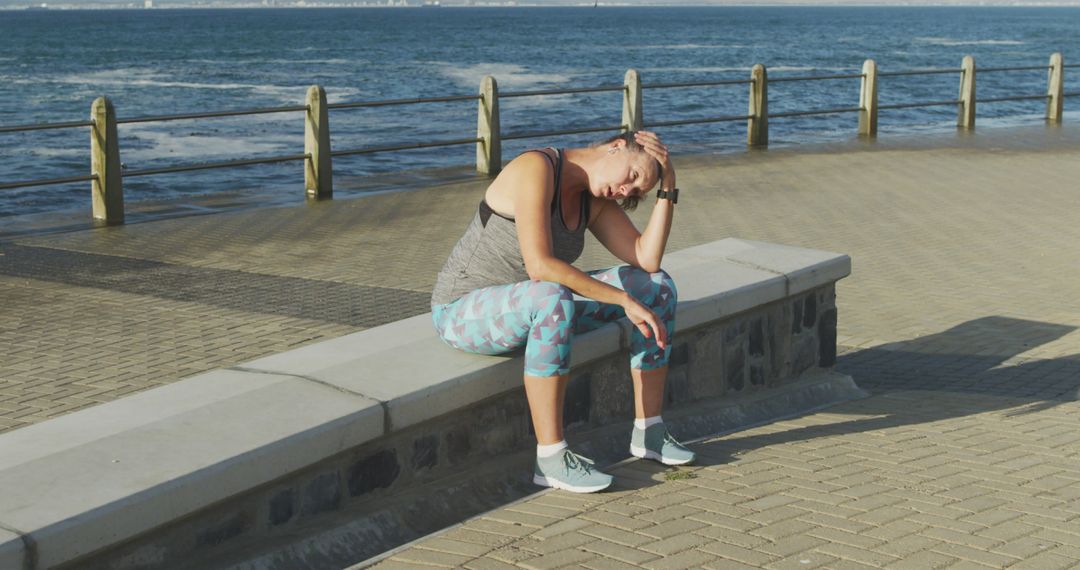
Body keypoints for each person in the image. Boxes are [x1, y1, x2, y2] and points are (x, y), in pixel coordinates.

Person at [430, 130, 694, 494]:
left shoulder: (593, 200)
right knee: (552, 295)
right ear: (615, 147)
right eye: (632, 177)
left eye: (635, 193)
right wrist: (621, 301)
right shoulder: (536, 167)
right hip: (463, 312)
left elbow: (646, 258)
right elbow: (540, 266)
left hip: (538, 307)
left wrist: (669, 183)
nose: (625, 192)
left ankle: (649, 430)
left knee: (656, 287)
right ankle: (551, 458)